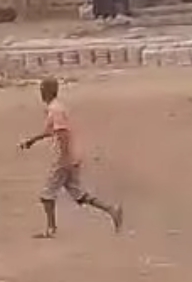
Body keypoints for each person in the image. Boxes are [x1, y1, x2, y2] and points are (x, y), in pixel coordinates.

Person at [18, 77, 123, 239]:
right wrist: (32, 141)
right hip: (71, 157)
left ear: (47, 91)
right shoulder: (56, 108)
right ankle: (111, 210)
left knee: (46, 195)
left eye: (42, 90)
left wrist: (64, 159)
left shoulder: (55, 110)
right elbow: (50, 131)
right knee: (78, 194)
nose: (41, 93)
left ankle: (51, 229)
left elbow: (63, 134)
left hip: (64, 158)